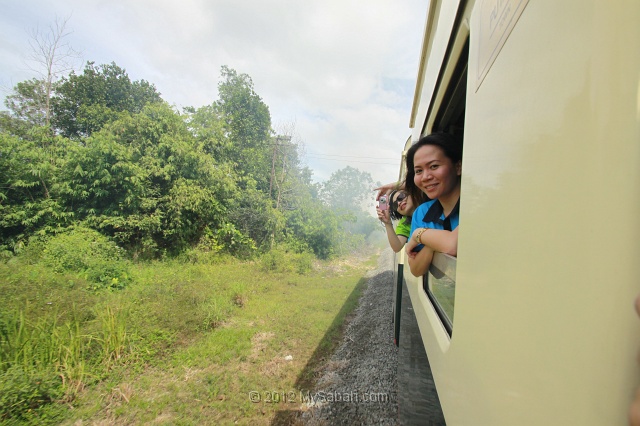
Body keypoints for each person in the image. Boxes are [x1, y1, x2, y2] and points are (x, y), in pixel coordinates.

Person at [403, 132, 462, 277]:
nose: (426, 177)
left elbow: (453, 245)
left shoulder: (476, 204)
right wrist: (432, 244)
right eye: (418, 171)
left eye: (434, 166)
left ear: (458, 167)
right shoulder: (422, 212)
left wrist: (419, 234)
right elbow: (416, 270)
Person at [377, 188, 416, 253]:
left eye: (400, 197)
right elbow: (397, 247)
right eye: (395, 205)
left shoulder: (425, 200)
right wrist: (387, 223)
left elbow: (413, 183)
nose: (399, 203)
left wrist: (389, 190)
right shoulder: (404, 224)